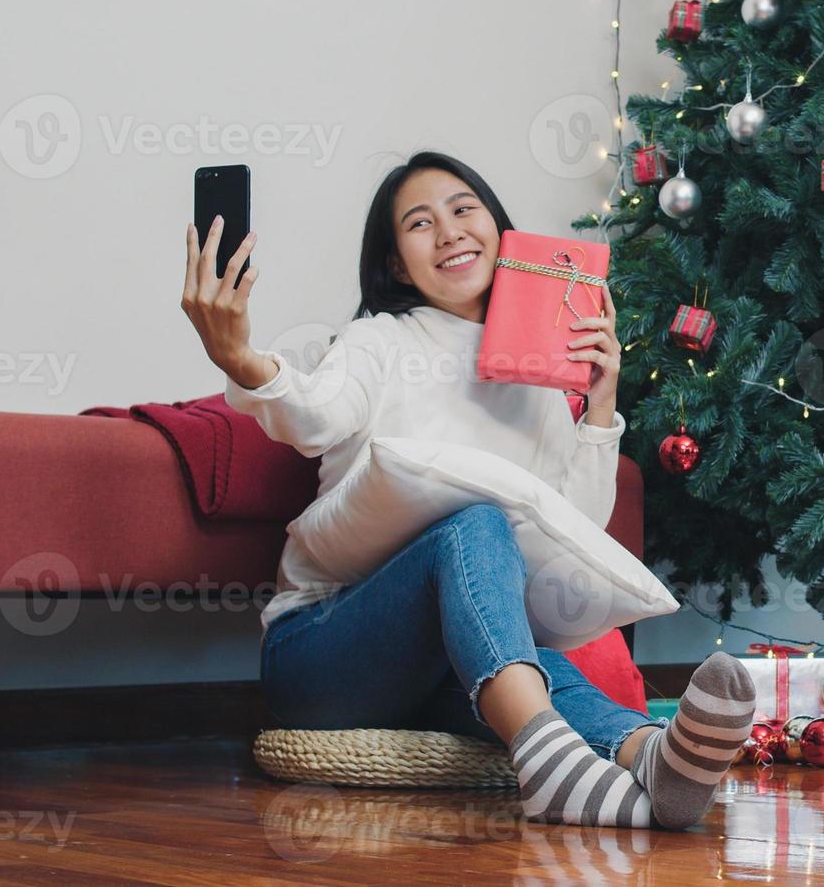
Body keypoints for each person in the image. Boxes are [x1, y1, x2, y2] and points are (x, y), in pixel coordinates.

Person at [180, 151, 753, 829]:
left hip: (445, 667)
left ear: (500, 233)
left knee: (524, 665)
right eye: (420, 223)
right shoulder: (377, 342)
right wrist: (241, 358)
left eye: (463, 210)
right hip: (324, 653)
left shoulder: (538, 371)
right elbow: (313, 415)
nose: (449, 232)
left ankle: (650, 756)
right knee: (477, 522)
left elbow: (574, 529)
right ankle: (550, 761)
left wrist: (600, 400)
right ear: (396, 263)